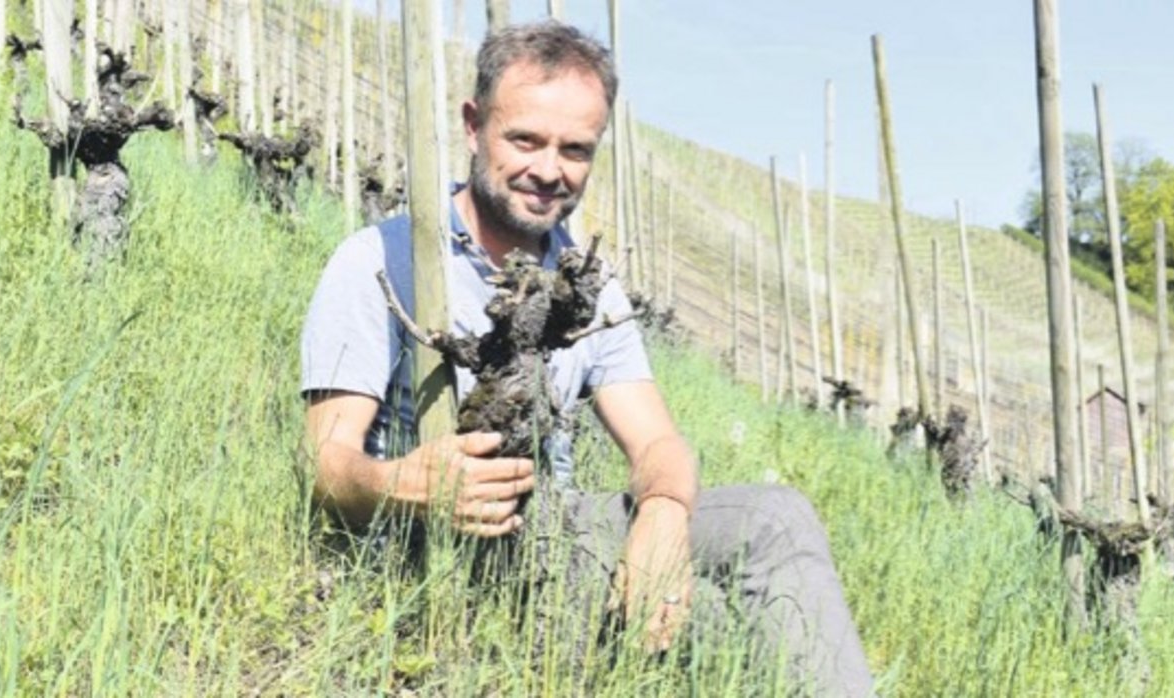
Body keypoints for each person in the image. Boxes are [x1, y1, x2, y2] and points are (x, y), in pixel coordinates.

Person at [300, 21, 874, 696]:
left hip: (554, 526)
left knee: (775, 520)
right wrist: (407, 484)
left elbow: (656, 440)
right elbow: (324, 464)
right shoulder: (380, 260)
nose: (549, 170)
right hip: (433, 549)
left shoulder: (583, 285)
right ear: (473, 125)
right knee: (727, 626)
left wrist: (663, 513)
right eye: (525, 140)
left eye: (575, 149)